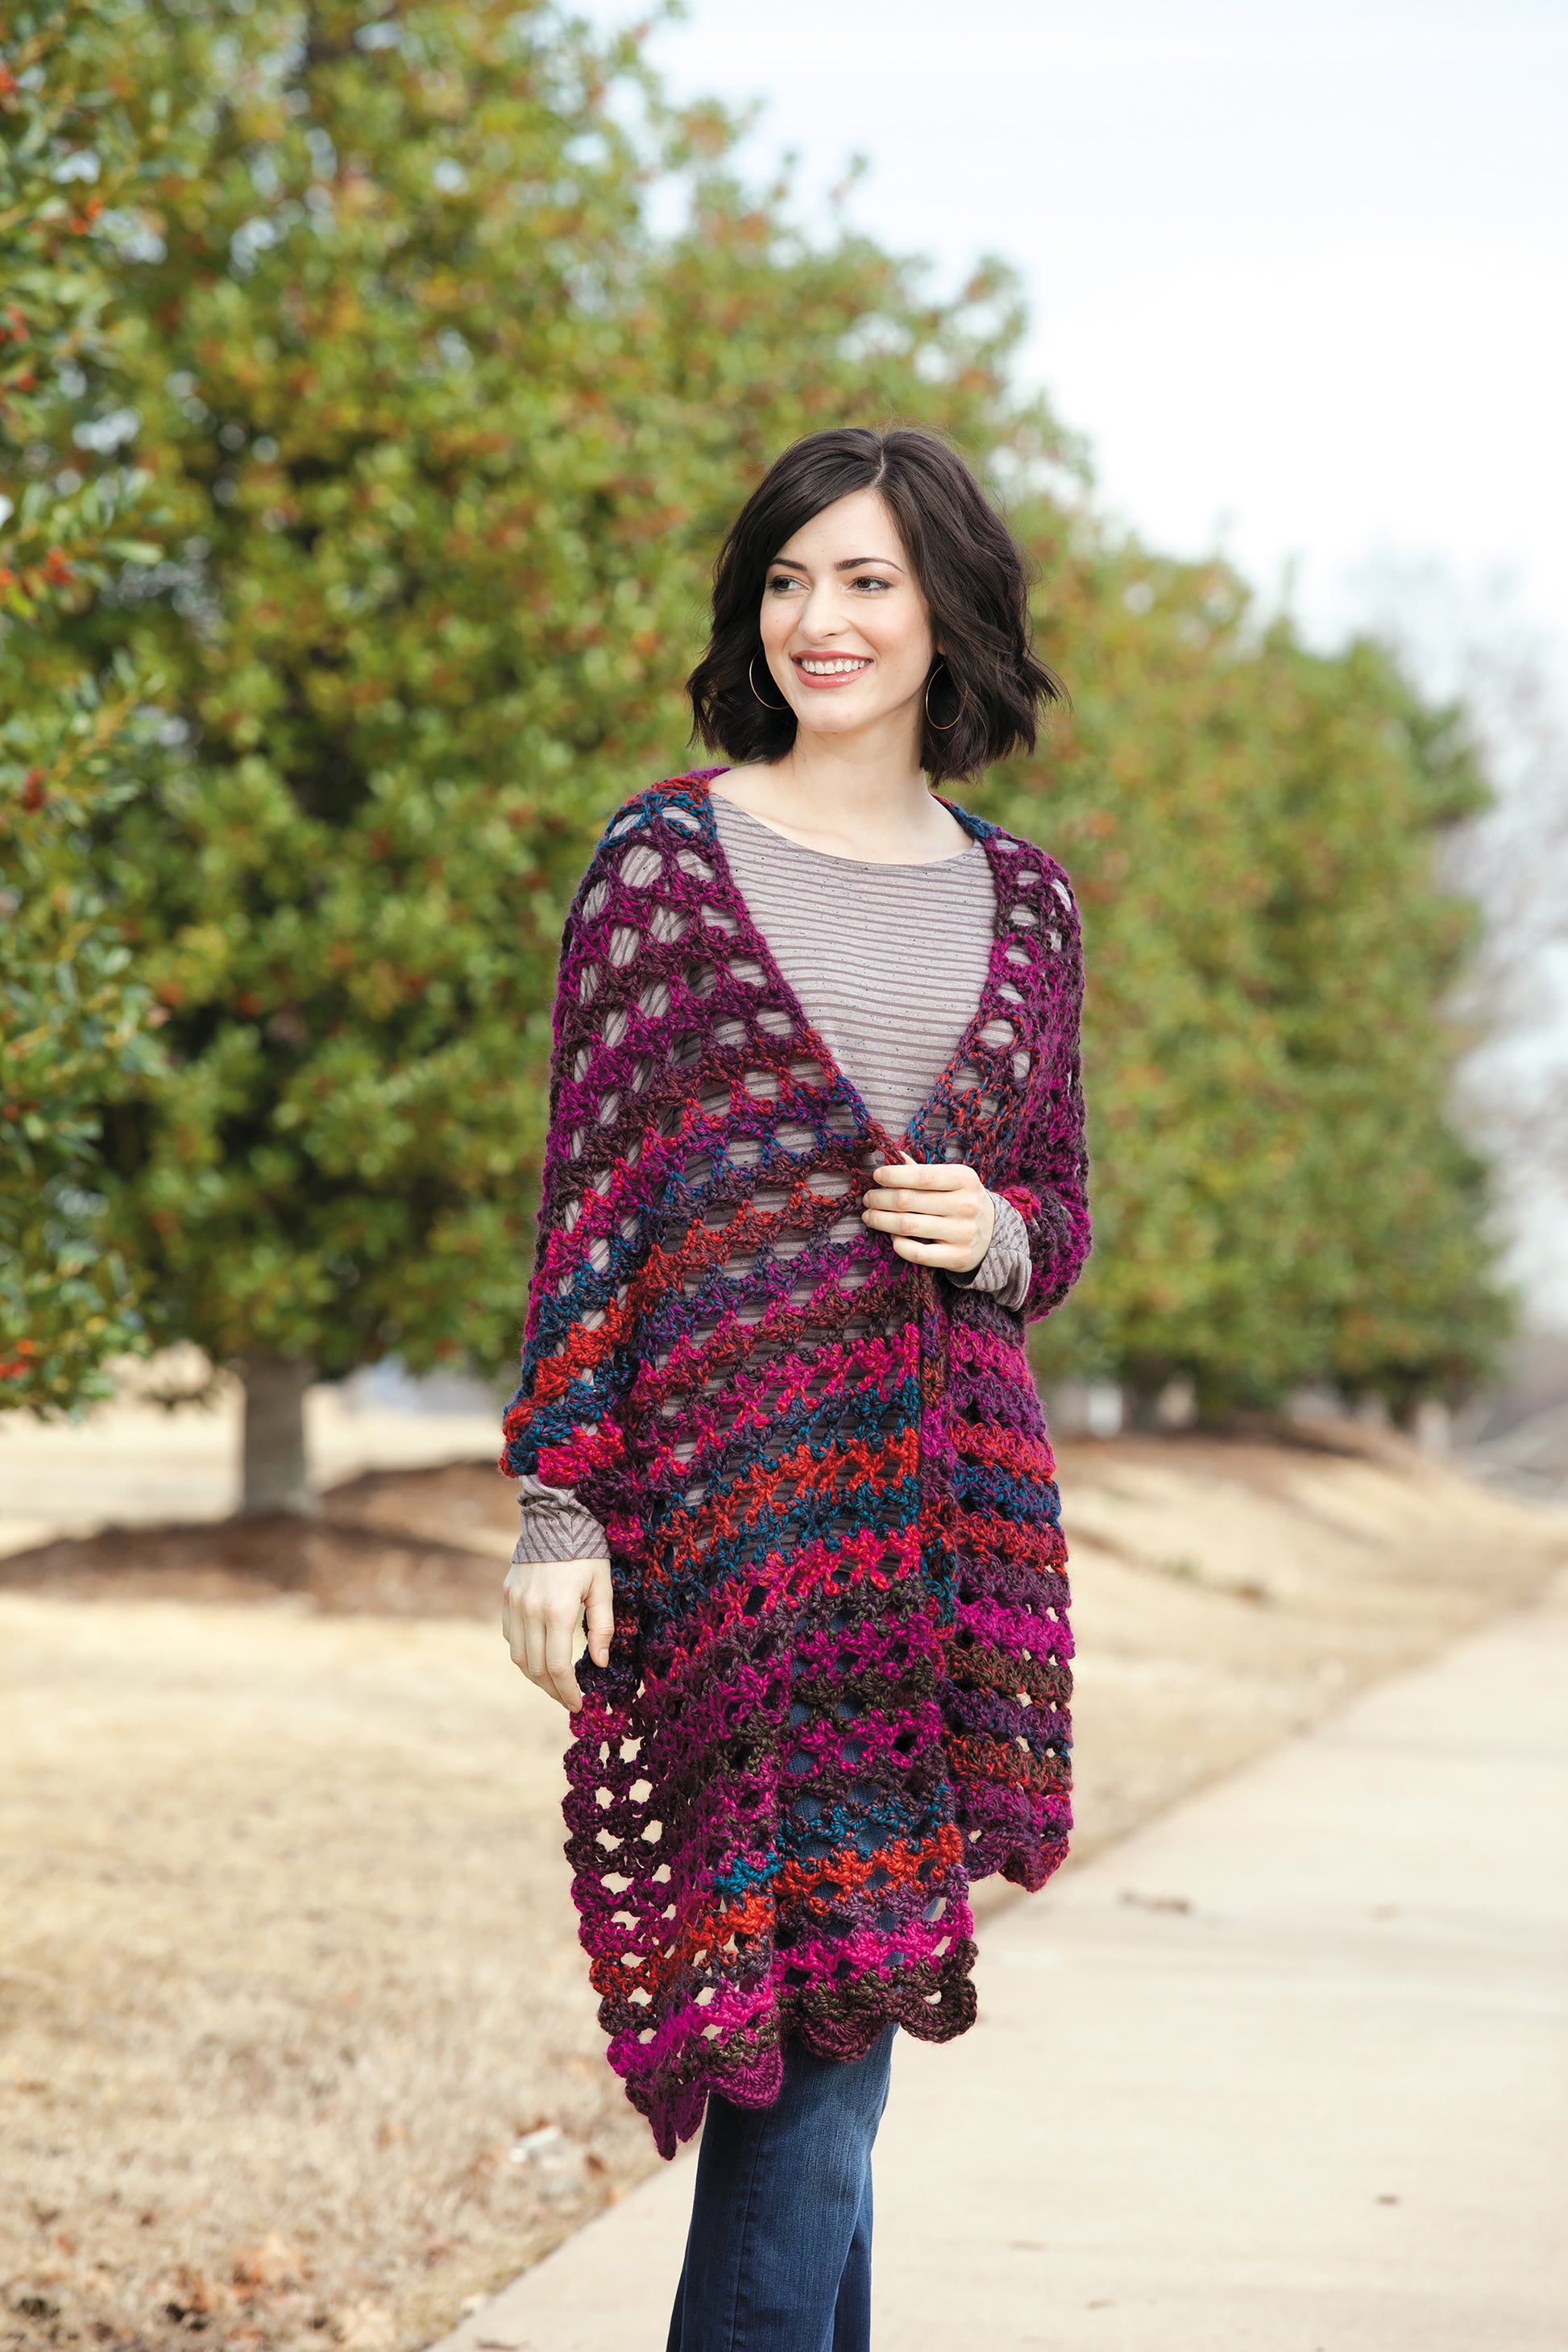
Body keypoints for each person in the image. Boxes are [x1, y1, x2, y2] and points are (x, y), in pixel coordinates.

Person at [500, 425, 1090, 2350]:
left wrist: (990, 1228)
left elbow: (1061, 1211)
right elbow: (594, 1203)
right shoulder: (667, 864)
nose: (817, 620)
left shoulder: (1030, 904)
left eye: (863, 581)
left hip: (938, 1546)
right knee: (811, 2039)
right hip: (732, 1533)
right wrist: (559, 1503)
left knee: (834, 2040)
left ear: (945, 614)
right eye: (785, 580)